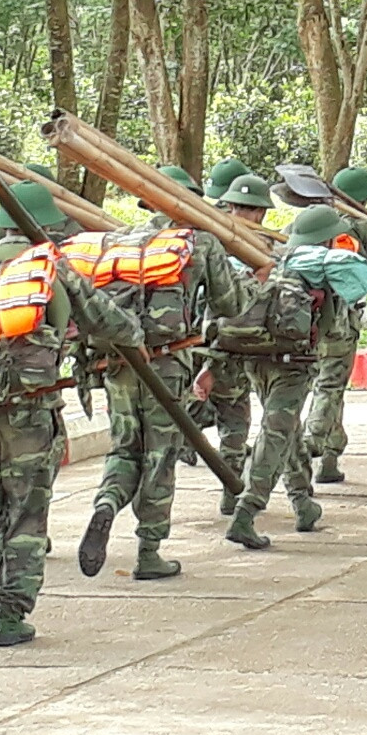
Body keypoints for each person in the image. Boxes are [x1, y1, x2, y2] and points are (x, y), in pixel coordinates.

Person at [0, 181, 143, 647]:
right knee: (26, 515)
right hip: (32, 415)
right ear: (48, 229)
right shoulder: (51, 269)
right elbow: (116, 324)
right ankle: (10, 616)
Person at [77, 176, 250, 581]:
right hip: (168, 364)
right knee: (159, 455)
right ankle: (149, 550)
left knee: (124, 449)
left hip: (118, 364)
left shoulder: (117, 242)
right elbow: (230, 304)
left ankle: (106, 503)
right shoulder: (199, 243)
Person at [214, 204, 367, 548]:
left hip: (254, 358)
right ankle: (247, 512)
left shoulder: (270, 259)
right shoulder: (321, 264)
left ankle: (303, 502)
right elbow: (357, 292)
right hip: (293, 363)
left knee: (287, 430)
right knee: (275, 435)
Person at [306, 164, 367, 483]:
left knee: (317, 387)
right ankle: (316, 447)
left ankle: (331, 453)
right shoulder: (363, 228)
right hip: (340, 321)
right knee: (330, 387)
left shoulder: (306, 226)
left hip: (300, 320)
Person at [207, 173, 277, 511]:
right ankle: (230, 490)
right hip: (228, 343)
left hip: (189, 341)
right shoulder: (254, 249)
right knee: (235, 420)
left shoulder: (206, 236)